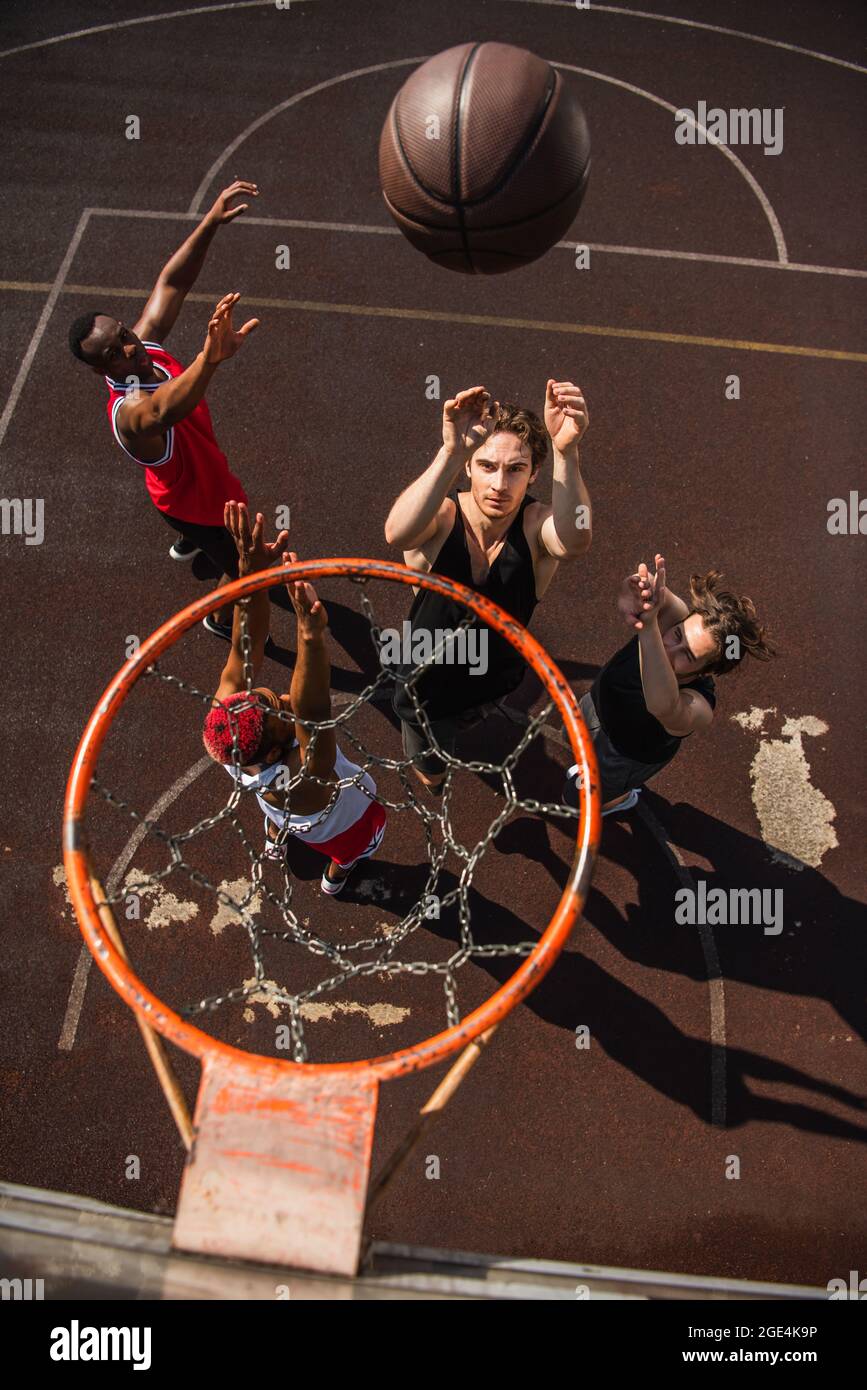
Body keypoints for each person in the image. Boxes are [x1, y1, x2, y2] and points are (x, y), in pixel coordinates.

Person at [68, 180, 260, 639]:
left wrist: (209, 224)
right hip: (197, 502)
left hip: (186, 482)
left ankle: (189, 544)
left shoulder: (143, 345)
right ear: (101, 371)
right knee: (247, 572)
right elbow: (162, 412)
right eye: (114, 353)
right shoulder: (128, 413)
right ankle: (218, 616)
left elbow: (172, 282)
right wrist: (208, 359)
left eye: (124, 336)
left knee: (209, 529)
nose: (129, 350)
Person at [384, 380, 592, 792]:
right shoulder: (441, 518)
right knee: (433, 770)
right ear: (468, 467)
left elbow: (573, 540)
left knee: (477, 720)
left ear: (534, 473)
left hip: (497, 677)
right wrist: (450, 450)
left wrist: (567, 450)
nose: (500, 484)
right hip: (429, 685)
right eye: (486, 466)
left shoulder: (534, 529)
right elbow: (396, 534)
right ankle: (435, 777)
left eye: (515, 469)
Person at [203, 503, 386, 895]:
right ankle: (336, 878)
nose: (284, 697)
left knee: (275, 814)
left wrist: (250, 571)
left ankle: (274, 834)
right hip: (338, 823)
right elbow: (312, 709)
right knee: (355, 844)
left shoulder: (227, 729)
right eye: (281, 710)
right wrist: (309, 634)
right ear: (272, 753)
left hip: (277, 804)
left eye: (270, 696)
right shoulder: (305, 773)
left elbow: (245, 647)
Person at [563, 554, 775, 815]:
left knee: (576, 800)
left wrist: (650, 626)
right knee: (569, 738)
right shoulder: (672, 618)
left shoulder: (698, 706)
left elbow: (661, 705)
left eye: (687, 655)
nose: (671, 648)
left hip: (623, 756)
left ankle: (620, 797)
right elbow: (651, 592)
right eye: (677, 635)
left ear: (704, 671)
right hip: (596, 705)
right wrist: (636, 587)